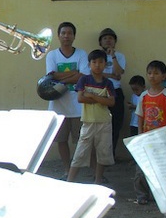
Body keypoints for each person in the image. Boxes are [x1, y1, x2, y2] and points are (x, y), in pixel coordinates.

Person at [45, 21, 89, 178]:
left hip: (78, 105)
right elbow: (51, 76)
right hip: (58, 106)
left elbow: (83, 77)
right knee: (61, 140)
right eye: (63, 33)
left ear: (74, 36)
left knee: (80, 141)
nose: (66, 36)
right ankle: (66, 169)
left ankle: (76, 170)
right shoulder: (52, 55)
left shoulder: (82, 54)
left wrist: (61, 76)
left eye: (69, 33)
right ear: (58, 36)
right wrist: (74, 74)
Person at [67, 50, 115, 184]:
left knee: (103, 153)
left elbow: (111, 102)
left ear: (105, 64)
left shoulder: (108, 83)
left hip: (104, 122)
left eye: (101, 62)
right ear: (89, 64)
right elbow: (80, 98)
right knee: (80, 153)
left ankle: (98, 181)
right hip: (88, 122)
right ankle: (69, 181)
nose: (97, 65)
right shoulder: (84, 79)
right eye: (94, 62)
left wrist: (92, 96)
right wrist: (101, 99)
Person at [133, 60, 166, 204]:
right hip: (146, 138)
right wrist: (140, 133)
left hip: (161, 138)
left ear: (163, 76)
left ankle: (161, 195)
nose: (152, 76)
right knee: (141, 169)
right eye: (150, 73)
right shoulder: (144, 96)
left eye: (156, 73)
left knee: (161, 168)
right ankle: (141, 195)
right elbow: (140, 115)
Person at [98, 28, 127, 159]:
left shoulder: (120, 56)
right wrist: (111, 75)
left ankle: (111, 154)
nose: (108, 41)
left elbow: (119, 73)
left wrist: (113, 56)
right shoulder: (97, 56)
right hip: (100, 92)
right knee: (100, 126)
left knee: (116, 124)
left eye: (111, 38)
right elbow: (95, 73)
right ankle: (100, 155)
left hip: (115, 92)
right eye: (105, 38)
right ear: (100, 42)